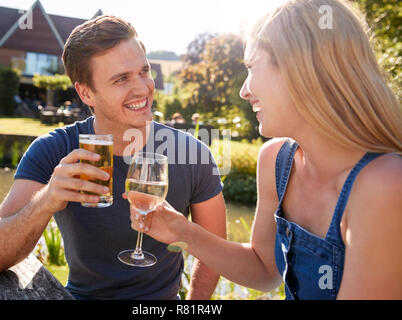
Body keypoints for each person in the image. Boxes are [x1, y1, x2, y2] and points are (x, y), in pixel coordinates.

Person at [130, 0, 402, 300]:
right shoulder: (276, 160)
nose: (243, 91)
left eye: (251, 68)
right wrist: (182, 231)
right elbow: (263, 270)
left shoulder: (385, 184)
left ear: (301, 70)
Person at [0, 15, 226, 300]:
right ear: (86, 92)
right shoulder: (54, 150)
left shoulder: (192, 153)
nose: (143, 88)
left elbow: (215, 251)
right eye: (122, 78)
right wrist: (47, 199)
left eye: (144, 71)